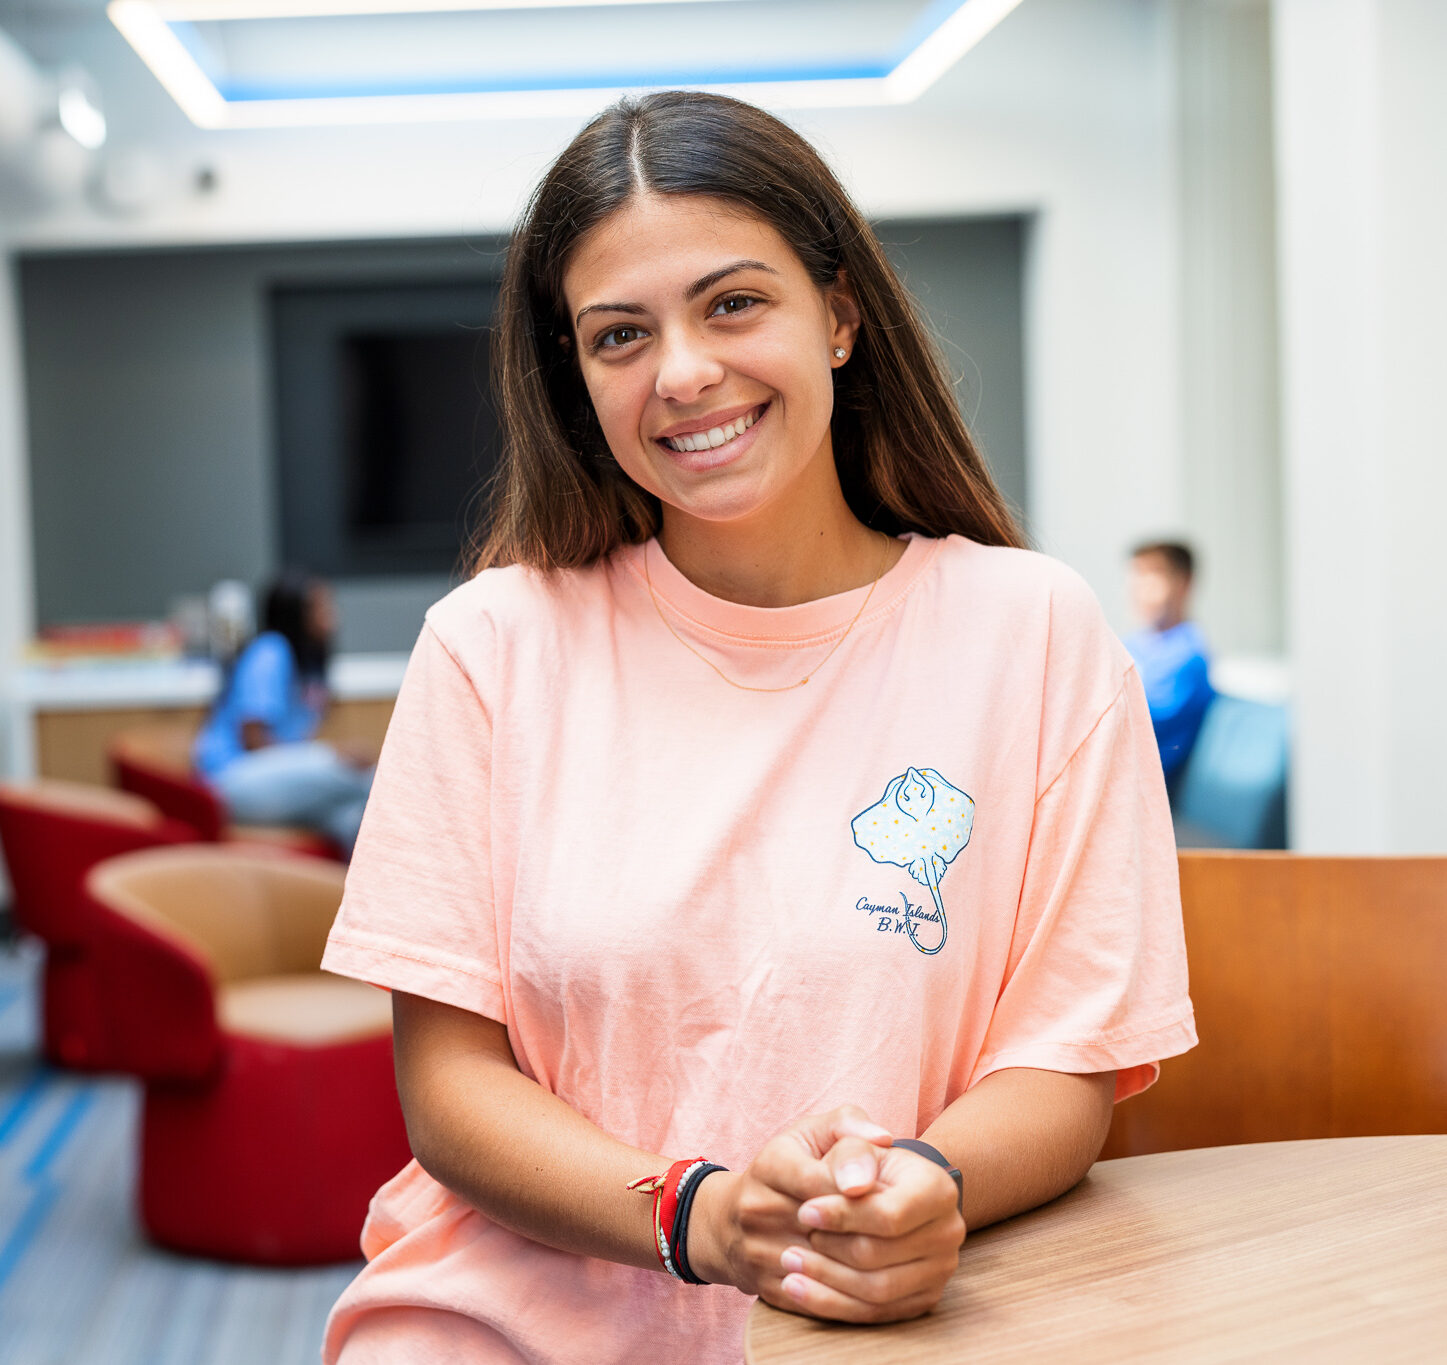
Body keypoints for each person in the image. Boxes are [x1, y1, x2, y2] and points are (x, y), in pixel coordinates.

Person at [318, 92, 1196, 1365]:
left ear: (838, 316)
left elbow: (1066, 1067)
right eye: (620, 335)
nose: (681, 373)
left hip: (885, 1317)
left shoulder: (1034, 634)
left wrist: (919, 1188)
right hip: (514, 1324)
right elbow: (449, 1094)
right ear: (577, 374)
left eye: (732, 303)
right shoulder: (491, 645)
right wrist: (703, 1217)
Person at [192, 571, 372, 855]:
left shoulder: (310, 665)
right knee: (370, 778)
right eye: (321, 607)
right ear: (296, 613)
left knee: (352, 816)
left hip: (269, 780)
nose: (332, 614)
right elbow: (253, 741)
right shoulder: (271, 651)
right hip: (229, 782)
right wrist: (329, 756)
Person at [1123, 541, 1215, 787]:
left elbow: (1132, 724)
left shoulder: (1188, 656)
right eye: (1137, 574)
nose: (1140, 586)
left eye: (1153, 574)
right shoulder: (1133, 644)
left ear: (1184, 583)